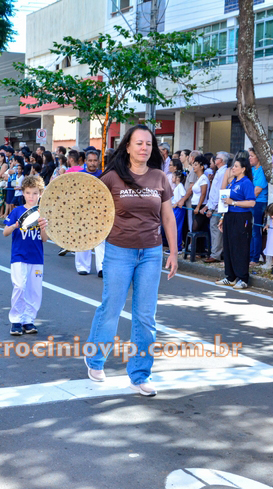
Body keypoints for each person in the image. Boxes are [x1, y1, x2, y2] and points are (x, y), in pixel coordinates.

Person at [84, 124, 179, 397]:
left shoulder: (160, 178)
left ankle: (139, 375)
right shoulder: (112, 178)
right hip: (119, 251)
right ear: (127, 146)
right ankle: (95, 358)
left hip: (151, 252)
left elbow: (168, 217)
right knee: (111, 308)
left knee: (145, 316)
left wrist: (172, 252)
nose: (144, 148)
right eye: (139, 143)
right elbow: (88, 207)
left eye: (148, 144)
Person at [3, 175, 49, 336]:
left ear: (40, 194)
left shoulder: (43, 213)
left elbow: (44, 239)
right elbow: (5, 232)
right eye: (28, 193)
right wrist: (15, 225)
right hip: (19, 256)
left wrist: (43, 227)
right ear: (23, 193)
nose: (31, 197)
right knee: (20, 286)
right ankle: (16, 320)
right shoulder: (17, 211)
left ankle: (28, 320)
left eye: (35, 193)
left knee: (34, 290)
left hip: (36, 257)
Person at [215, 156, 256, 289]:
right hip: (229, 216)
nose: (233, 168)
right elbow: (226, 201)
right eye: (233, 166)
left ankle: (243, 278)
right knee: (229, 246)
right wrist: (222, 218)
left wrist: (233, 202)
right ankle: (230, 276)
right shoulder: (232, 182)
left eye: (236, 166)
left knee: (240, 247)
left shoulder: (246, 183)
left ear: (243, 169)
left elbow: (251, 202)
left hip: (241, 217)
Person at [75, 149, 105, 275]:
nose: (92, 163)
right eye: (90, 160)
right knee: (83, 237)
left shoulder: (104, 175)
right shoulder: (78, 175)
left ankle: (102, 267)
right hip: (82, 211)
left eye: (95, 160)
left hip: (100, 211)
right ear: (86, 161)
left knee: (101, 239)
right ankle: (82, 266)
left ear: (98, 161)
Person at [200, 151, 230, 263]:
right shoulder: (219, 172)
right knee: (216, 230)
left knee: (216, 230)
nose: (214, 160)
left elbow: (219, 191)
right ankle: (217, 252)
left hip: (218, 206)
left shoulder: (223, 172)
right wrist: (208, 206)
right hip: (215, 204)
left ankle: (215, 254)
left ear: (220, 161)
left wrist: (211, 208)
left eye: (216, 158)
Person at [248, 148, 269, 266]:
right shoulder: (252, 170)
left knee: (256, 231)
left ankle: (255, 258)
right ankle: (251, 255)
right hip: (251, 202)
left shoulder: (261, 171)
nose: (249, 158)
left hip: (258, 203)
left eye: (252, 156)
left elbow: (256, 191)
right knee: (250, 231)